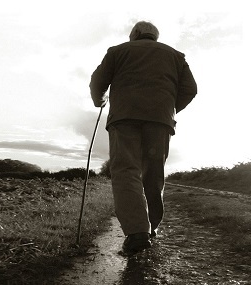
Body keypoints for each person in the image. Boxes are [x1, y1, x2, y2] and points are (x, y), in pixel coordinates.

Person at [90, 21, 197, 254]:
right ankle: (151, 228)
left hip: (125, 118)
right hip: (160, 121)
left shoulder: (117, 51)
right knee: (153, 173)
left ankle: (137, 232)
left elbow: (97, 82)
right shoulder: (176, 56)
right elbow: (190, 89)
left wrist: (100, 100)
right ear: (154, 36)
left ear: (136, 34)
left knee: (126, 170)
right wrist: (169, 108)